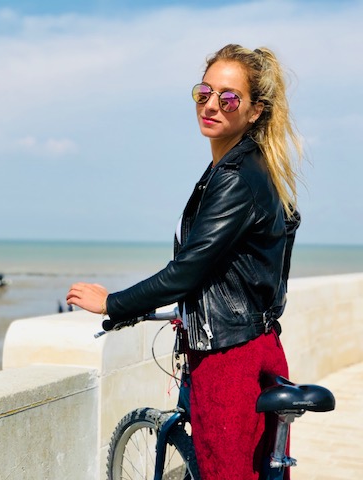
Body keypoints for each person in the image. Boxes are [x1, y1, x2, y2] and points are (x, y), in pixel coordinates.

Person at [66, 44, 302, 480]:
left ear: (255, 111)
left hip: (228, 359)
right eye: (204, 93)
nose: (211, 105)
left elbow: (187, 271)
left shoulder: (233, 178)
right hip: (257, 343)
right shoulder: (248, 167)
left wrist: (112, 303)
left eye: (228, 98)